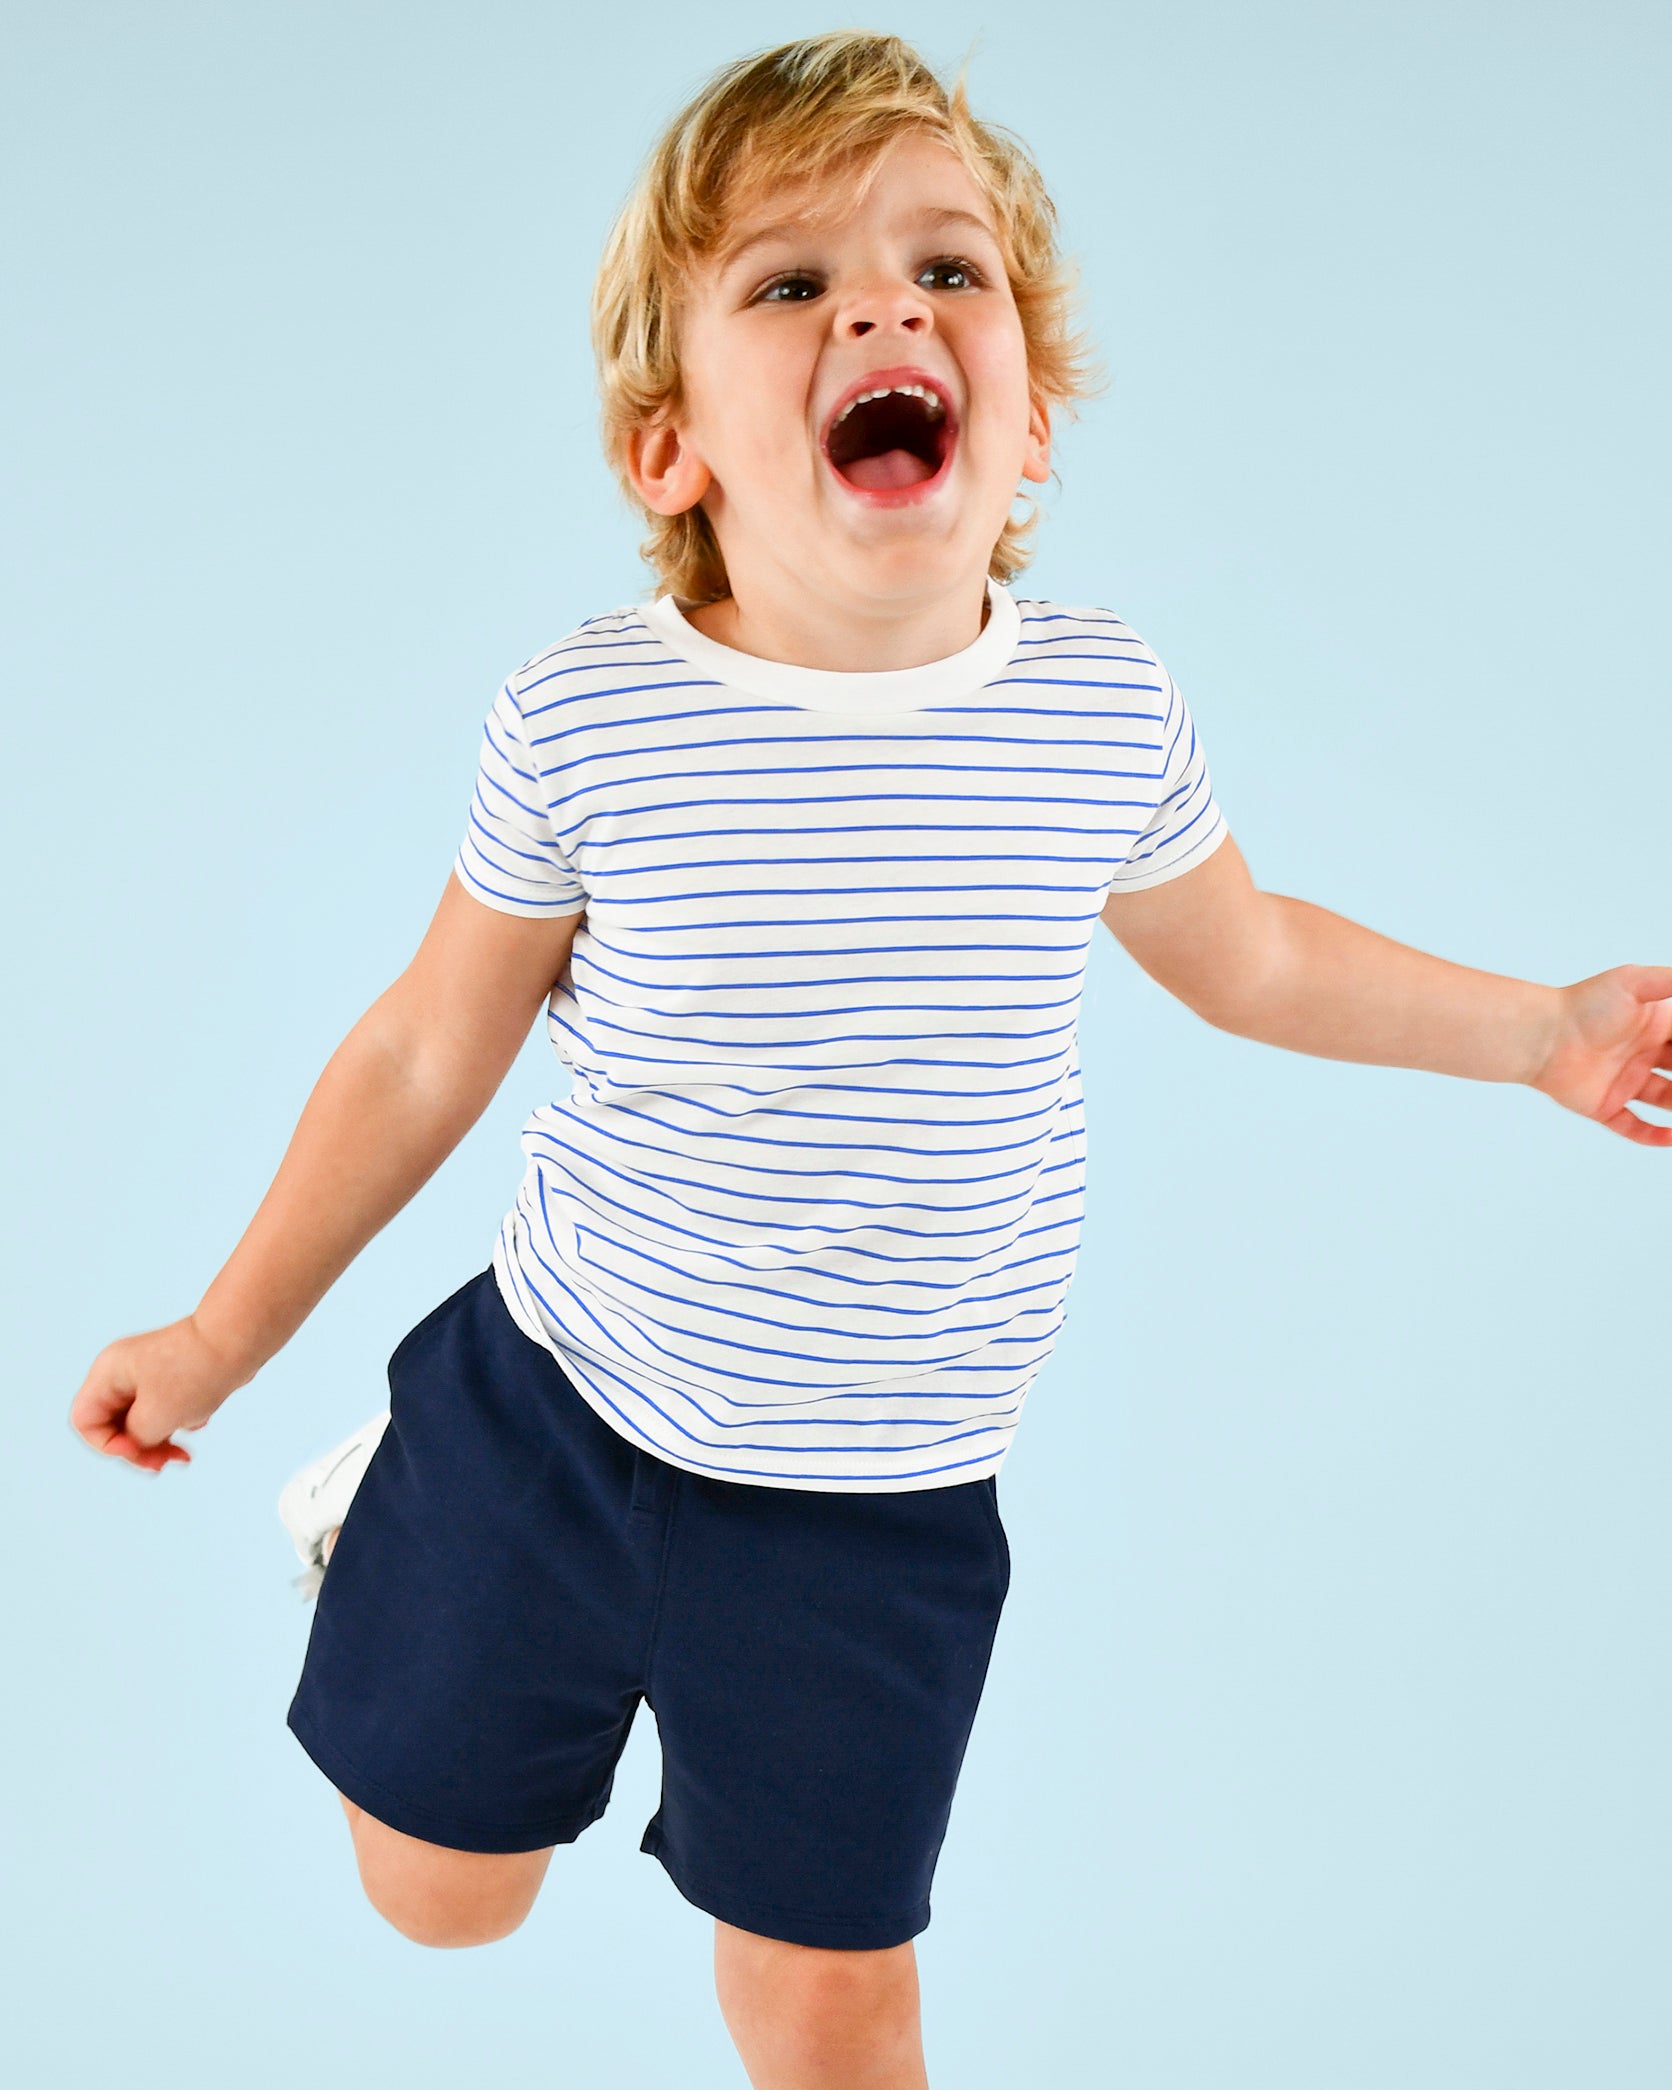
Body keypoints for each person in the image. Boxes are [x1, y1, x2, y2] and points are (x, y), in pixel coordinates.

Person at [68, 29, 1672, 2090]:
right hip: (557, 1415)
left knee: (831, 1999)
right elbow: (419, 1053)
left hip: (879, 1506)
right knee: (439, 1893)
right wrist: (215, 1337)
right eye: (790, 284)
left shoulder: (1094, 711)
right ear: (673, 452)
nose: (885, 307)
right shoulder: (590, 723)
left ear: (1026, 425)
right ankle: (378, 1507)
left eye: (946, 269)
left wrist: (1536, 1030)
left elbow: (1251, 958)